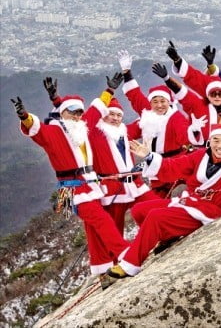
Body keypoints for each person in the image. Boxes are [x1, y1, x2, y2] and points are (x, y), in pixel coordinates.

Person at [104, 123, 221, 281]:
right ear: (210, 142)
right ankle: (169, 236)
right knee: (139, 210)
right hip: (187, 203)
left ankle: (129, 265)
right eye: (216, 140)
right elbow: (172, 166)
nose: (220, 145)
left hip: (204, 213)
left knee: (155, 217)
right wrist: (149, 156)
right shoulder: (200, 156)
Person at [12, 78, 129, 276]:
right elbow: (36, 129)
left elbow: (96, 109)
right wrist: (24, 116)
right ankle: (126, 254)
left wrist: (109, 90)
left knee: (93, 229)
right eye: (71, 112)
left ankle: (103, 268)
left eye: (78, 112)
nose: (76, 116)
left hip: (90, 185)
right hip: (71, 188)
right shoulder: (53, 131)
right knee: (101, 220)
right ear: (62, 113)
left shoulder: (82, 127)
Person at [117, 50, 200, 197]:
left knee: (189, 191)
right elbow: (135, 95)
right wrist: (126, 72)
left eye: (163, 101)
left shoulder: (175, 118)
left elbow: (183, 136)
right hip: (154, 162)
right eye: (155, 101)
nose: (159, 105)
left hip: (176, 162)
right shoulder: (148, 114)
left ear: (169, 102)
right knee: (159, 196)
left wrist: (192, 132)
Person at [88, 97, 159, 236]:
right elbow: (86, 119)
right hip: (111, 187)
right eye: (111, 114)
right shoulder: (93, 134)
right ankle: (115, 257)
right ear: (103, 115)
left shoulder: (124, 131)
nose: (115, 118)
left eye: (119, 115)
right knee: (113, 228)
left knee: (155, 206)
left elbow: (147, 119)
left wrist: (158, 105)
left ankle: (159, 235)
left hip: (134, 184)